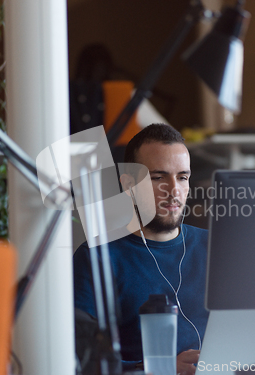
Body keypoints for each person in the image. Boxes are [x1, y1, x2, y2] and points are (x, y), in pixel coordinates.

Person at [73, 123, 209, 375]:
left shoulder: (215, 248)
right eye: (158, 177)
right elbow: (78, 354)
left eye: (182, 177)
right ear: (128, 185)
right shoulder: (97, 258)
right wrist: (158, 367)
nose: (174, 190)